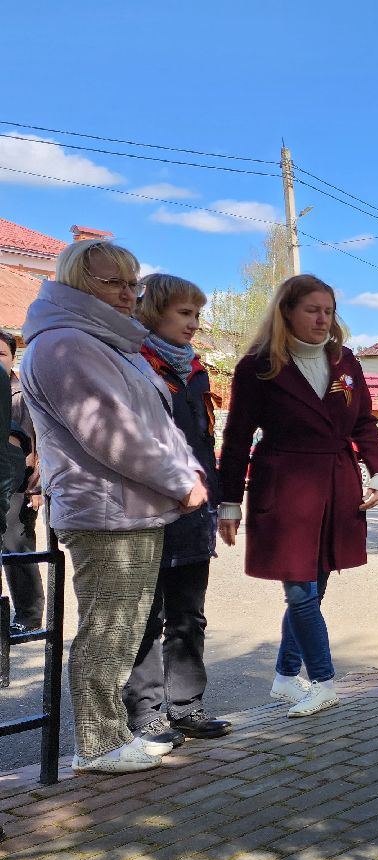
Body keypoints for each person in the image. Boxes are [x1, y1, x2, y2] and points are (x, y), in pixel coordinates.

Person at [21, 240, 208, 774]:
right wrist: (180, 480)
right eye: (113, 283)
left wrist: (186, 473)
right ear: (78, 282)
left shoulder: (103, 340)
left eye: (132, 283)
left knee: (122, 630)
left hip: (128, 506)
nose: (128, 294)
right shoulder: (66, 344)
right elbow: (112, 433)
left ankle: (109, 736)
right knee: (108, 631)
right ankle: (98, 744)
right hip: (105, 510)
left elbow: (154, 425)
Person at [218, 274, 378, 717]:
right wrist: (229, 502)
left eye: (329, 311)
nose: (322, 319)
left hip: (336, 482)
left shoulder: (344, 360)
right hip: (285, 485)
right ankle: (324, 681)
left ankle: (284, 676)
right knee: (300, 590)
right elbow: (236, 439)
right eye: (312, 310)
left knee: (316, 585)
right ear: (287, 312)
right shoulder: (259, 366)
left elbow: (364, 422)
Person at [123, 275, 231, 750]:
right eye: (184, 313)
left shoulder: (196, 370)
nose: (194, 323)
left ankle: (186, 707)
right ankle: (145, 715)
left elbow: (205, 443)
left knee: (189, 614)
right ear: (153, 312)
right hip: (147, 509)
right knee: (146, 617)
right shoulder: (132, 362)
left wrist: (218, 497)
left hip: (195, 510)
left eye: (197, 314)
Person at [0, 332, 43, 633]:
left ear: (13, 357)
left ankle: (28, 616)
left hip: (21, 484)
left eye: (1, 354)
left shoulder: (23, 393)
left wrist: (36, 487)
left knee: (17, 548)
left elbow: (37, 440)